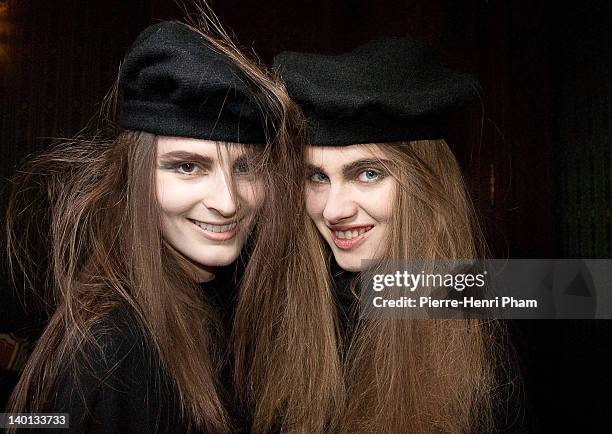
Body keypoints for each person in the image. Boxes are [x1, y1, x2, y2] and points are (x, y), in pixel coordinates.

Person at [4, 18, 303, 433]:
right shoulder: (113, 348)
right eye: (187, 166)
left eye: (245, 167)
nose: (228, 201)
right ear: (137, 178)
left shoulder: (221, 300)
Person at [233, 37, 524, 432]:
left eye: (368, 173)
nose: (334, 210)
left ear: (428, 186)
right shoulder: (272, 312)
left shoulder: (493, 313)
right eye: (318, 177)